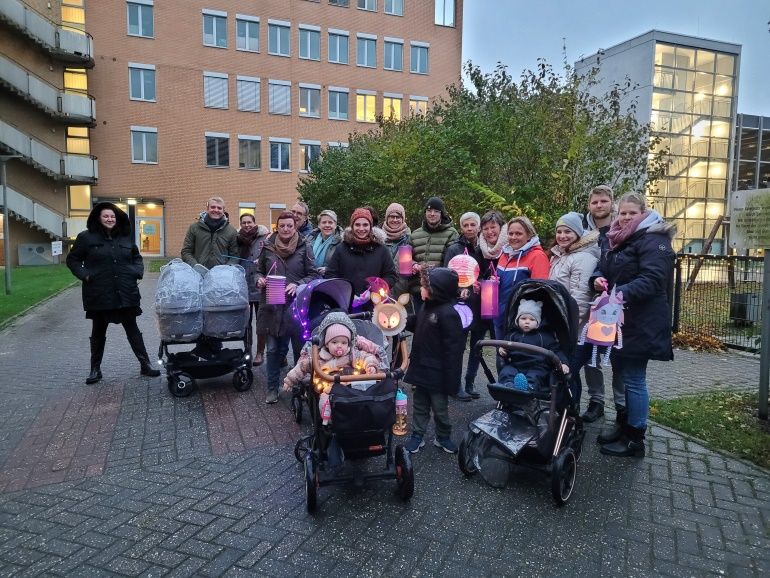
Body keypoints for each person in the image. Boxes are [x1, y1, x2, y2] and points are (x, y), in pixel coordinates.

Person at [591, 192, 675, 457]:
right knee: (621, 374)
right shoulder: (618, 240)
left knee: (635, 379)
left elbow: (653, 279)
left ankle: (635, 438)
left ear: (644, 213)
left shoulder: (654, 239)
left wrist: (618, 294)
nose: (626, 217)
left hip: (643, 320)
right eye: (623, 213)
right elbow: (605, 268)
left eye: (631, 213)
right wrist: (598, 279)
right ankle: (623, 425)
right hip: (619, 320)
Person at [66, 202, 160, 384]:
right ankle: (95, 369)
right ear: (98, 218)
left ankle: (145, 365)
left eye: (112, 216)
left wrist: (137, 271)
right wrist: (85, 275)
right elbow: (73, 260)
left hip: (125, 292)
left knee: (133, 330)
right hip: (100, 293)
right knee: (98, 331)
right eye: (106, 216)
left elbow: (136, 257)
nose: (110, 219)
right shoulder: (86, 238)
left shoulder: (125, 237)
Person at [256, 211, 320, 404]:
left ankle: (302, 388)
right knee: (274, 350)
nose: (286, 229)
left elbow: (314, 274)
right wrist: (258, 279)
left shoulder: (304, 246)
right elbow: (258, 270)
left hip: (297, 309)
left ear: (295, 227)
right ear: (277, 227)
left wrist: (298, 284)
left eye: (289, 226)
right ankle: (272, 389)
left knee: (301, 351)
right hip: (273, 307)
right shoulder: (267, 247)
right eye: (282, 225)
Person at [403, 267, 465, 455]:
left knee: (440, 408)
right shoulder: (426, 306)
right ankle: (417, 435)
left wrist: (452, 381)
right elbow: (418, 324)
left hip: (438, 373)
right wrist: (400, 319)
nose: (420, 289)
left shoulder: (448, 314)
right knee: (420, 404)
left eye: (423, 286)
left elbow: (454, 350)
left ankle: (443, 436)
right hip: (421, 367)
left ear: (436, 290)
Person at [282, 312, 386, 423]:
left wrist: (371, 366)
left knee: (365, 394)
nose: (339, 345)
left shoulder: (353, 354)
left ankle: (360, 418)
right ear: (326, 344)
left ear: (349, 343)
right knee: (325, 400)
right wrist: (289, 381)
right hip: (329, 389)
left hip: (351, 386)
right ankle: (329, 421)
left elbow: (367, 357)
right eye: (335, 342)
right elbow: (302, 367)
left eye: (343, 342)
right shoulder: (320, 357)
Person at [548, 212, 601, 415]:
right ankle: (565, 410)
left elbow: (579, 298)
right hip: (560, 324)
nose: (562, 235)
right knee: (565, 370)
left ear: (578, 234)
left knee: (568, 371)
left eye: (567, 231)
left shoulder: (583, 258)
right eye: (559, 231)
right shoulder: (561, 256)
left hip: (574, 329)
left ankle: (570, 412)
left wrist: (565, 326)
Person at [581, 184, 624, 422]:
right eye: (595, 202)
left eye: (603, 201)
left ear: (611, 202)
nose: (599, 206)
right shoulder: (583, 230)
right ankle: (596, 400)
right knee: (592, 353)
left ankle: (621, 405)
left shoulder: (621, 228)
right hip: (591, 298)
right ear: (590, 205)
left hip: (619, 299)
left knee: (618, 355)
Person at [324, 208, 398, 312]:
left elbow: (391, 276)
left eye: (365, 225)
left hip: (375, 307)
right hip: (346, 306)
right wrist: (347, 295)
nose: (361, 228)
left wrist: (373, 291)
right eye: (357, 225)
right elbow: (331, 276)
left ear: (370, 226)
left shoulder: (381, 250)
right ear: (352, 226)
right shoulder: (341, 249)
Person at [443, 211, 481, 401]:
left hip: (481, 304)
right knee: (457, 346)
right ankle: (455, 385)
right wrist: (459, 291)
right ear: (461, 227)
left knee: (477, 347)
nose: (469, 228)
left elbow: (486, 273)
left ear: (478, 227)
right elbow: (446, 276)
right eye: (465, 225)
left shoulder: (486, 249)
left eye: (472, 225)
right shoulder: (453, 249)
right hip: (460, 305)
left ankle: (470, 382)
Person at [494, 216, 550, 340]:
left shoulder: (538, 256)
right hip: (500, 316)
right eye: (511, 233)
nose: (513, 237)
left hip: (521, 320)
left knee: (516, 357)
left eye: (518, 233)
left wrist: (526, 319)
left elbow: (540, 291)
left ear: (529, 235)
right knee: (500, 354)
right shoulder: (505, 254)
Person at [498, 299, 570, 392]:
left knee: (536, 375)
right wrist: (500, 349)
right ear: (517, 320)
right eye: (523, 318)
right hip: (515, 364)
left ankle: (528, 387)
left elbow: (556, 350)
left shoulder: (544, 337)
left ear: (538, 322)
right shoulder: (512, 335)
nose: (527, 322)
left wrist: (563, 363)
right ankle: (509, 385)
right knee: (507, 371)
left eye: (532, 319)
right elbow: (503, 346)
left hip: (536, 365)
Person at [409, 197, 458, 311]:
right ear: (425, 213)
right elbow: (405, 259)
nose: (432, 214)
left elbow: (452, 262)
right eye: (429, 210)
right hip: (418, 289)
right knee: (420, 325)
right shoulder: (415, 234)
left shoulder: (451, 233)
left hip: (440, 291)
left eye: (436, 211)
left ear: (442, 214)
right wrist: (413, 265)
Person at [237, 213, 270, 366]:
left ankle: (260, 352)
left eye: (249, 222)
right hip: (244, 287)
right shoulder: (238, 239)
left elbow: (271, 256)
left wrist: (261, 260)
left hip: (260, 286)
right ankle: (247, 350)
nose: (247, 225)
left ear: (255, 223)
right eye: (244, 222)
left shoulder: (265, 237)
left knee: (262, 321)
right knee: (245, 323)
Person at [181, 197, 238, 269]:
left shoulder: (231, 231)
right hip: (197, 274)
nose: (216, 210)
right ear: (207, 209)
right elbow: (186, 251)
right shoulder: (194, 228)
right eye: (213, 207)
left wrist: (226, 269)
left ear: (223, 211)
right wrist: (196, 266)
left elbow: (235, 256)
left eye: (219, 208)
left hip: (221, 275)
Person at [382, 203, 411, 297]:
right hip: (381, 294)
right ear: (387, 218)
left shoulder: (411, 239)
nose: (395, 220)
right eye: (391, 216)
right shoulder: (377, 239)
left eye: (398, 217)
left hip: (405, 295)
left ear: (403, 219)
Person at [306, 209, 342, 275]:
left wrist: (328, 269)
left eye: (330, 222)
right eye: (324, 222)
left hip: (330, 279)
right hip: (309, 277)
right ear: (319, 225)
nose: (327, 225)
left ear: (335, 225)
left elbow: (344, 265)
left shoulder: (342, 242)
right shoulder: (309, 239)